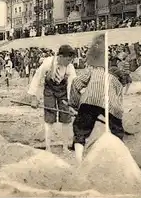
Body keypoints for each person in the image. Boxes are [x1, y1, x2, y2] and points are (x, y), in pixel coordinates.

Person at [69, 34, 126, 164]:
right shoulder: (117, 84)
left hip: (89, 100)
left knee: (80, 130)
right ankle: (121, 162)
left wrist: (75, 104)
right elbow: (119, 106)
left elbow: (76, 83)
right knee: (117, 133)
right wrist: (117, 123)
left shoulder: (95, 71)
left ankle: (78, 162)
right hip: (110, 105)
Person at [27, 44, 77, 153]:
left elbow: (72, 85)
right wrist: (34, 98)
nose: (69, 62)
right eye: (68, 59)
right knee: (49, 119)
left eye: (71, 59)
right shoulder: (48, 63)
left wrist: (70, 104)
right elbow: (37, 78)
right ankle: (48, 147)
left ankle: (65, 146)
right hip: (49, 91)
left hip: (63, 92)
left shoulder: (70, 67)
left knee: (66, 118)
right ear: (61, 56)